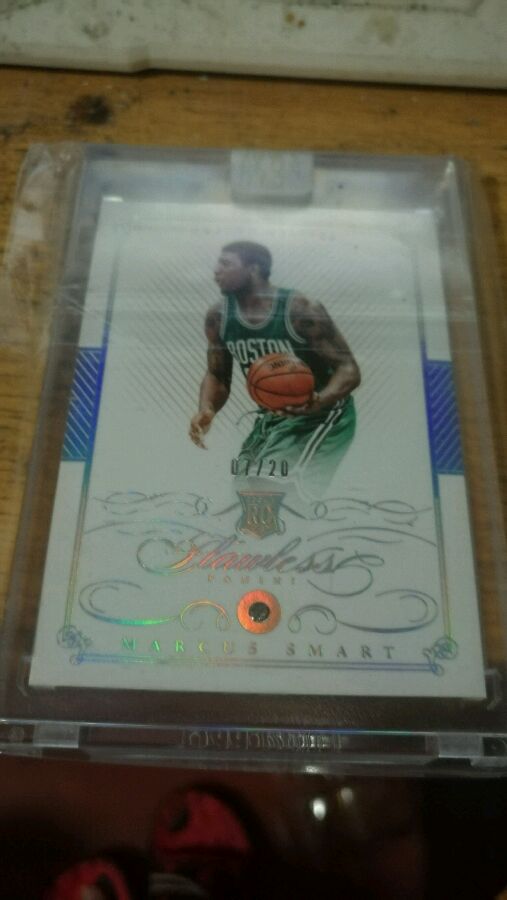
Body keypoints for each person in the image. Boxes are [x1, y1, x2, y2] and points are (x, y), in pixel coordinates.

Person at [189, 241, 360, 499]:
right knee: (241, 492)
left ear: (253, 269)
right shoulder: (219, 316)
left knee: (273, 490)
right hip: (272, 416)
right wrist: (207, 408)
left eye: (225, 263)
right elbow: (217, 375)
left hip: (323, 414)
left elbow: (348, 369)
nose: (216, 270)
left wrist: (318, 401)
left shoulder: (300, 309)